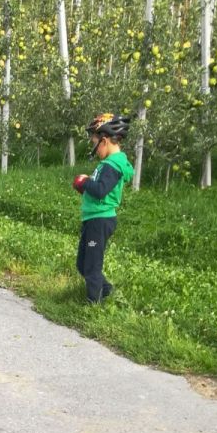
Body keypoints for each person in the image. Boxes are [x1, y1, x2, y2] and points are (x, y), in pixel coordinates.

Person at [72, 113, 133, 303]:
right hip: (93, 218)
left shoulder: (112, 165)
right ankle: (107, 292)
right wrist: (85, 187)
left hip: (100, 220)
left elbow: (100, 190)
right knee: (82, 264)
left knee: (92, 266)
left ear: (104, 141)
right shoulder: (108, 164)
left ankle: (93, 304)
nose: (94, 148)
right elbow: (100, 190)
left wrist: (85, 182)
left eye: (94, 143)